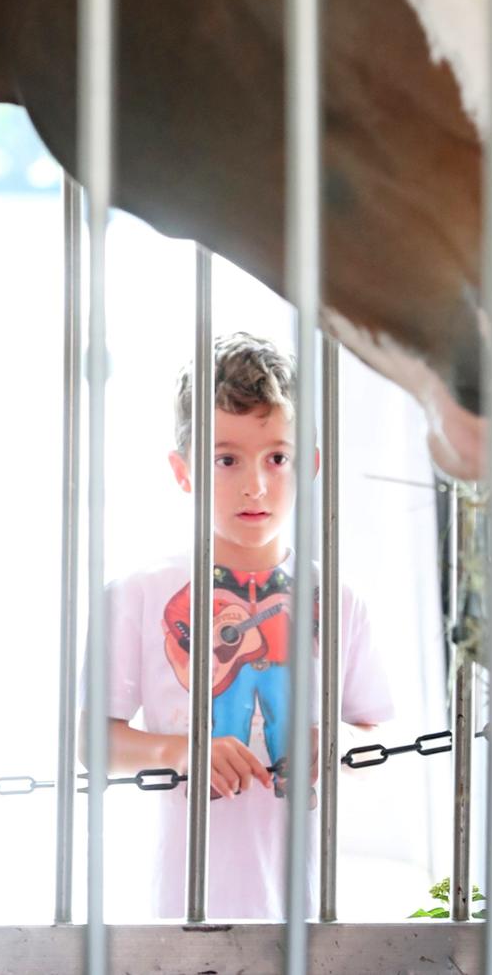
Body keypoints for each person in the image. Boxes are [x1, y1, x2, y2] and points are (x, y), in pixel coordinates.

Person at [78, 333, 394, 921]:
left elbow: (372, 729)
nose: (255, 485)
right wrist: (181, 750)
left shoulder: (342, 601)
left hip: (310, 909)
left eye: (278, 457)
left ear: (311, 466)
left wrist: (338, 741)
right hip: (178, 909)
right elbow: (95, 743)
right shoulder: (136, 595)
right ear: (183, 472)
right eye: (226, 460)